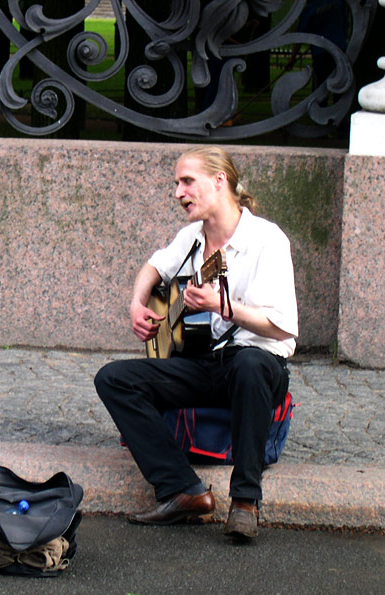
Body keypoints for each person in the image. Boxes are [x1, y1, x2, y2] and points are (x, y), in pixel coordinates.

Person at [94, 146, 298, 539]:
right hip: (209, 365)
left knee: (249, 363)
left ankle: (244, 502)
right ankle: (181, 490)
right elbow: (154, 266)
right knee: (114, 378)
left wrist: (224, 307)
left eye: (187, 181)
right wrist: (137, 303)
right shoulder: (191, 238)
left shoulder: (266, 239)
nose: (178, 192)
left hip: (259, 367)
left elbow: (282, 327)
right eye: (176, 183)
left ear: (219, 181)